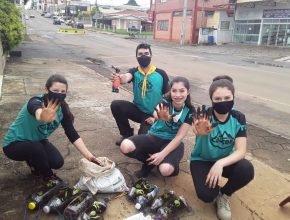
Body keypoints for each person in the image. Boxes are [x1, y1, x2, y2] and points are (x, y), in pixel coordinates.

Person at [2, 74, 97, 182]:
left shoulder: (63, 109)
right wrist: (41, 115)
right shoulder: (36, 101)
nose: (59, 94)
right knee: (36, 149)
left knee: (57, 162)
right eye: (55, 90)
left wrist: (89, 156)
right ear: (47, 89)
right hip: (13, 145)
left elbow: (72, 133)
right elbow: (35, 108)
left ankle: (33, 162)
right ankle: (48, 177)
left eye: (63, 92)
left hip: (37, 142)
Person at [190, 75, 254, 220]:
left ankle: (224, 195)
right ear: (211, 99)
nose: (222, 102)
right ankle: (214, 192)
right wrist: (198, 132)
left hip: (224, 160)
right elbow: (196, 127)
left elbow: (241, 151)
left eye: (227, 97)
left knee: (246, 169)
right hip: (201, 160)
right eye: (217, 99)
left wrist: (220, 163)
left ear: (233, 96)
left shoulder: (238, 117)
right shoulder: (204, 115)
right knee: (206, 196)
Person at [120, 76, 194, 178]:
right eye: (174, 91)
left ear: (188, 92)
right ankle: (149, 164)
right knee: (125, 146)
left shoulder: (190, 111)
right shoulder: (165, 101)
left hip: (172, 142)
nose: (178, 95)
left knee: (165, 170)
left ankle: (172, 167)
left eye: (182, 91)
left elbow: (179, 137)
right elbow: (155, 113)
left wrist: (162, 154)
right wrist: (159, 116)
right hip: (154, 136)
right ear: (170, 91)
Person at [111, 43, 169, 145]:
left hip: (152, 115)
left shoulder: (161, 74)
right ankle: (126, 134)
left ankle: (150, 131)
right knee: (116, 105)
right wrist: (120, 78)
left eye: (146, 53)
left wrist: (157, 117)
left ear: (151, 55)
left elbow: (168, 96)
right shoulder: (135, 71)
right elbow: (126, 77)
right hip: (138, 110)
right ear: (136, 57)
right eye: (140, 54)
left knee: (141, 143)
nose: (143, 56)